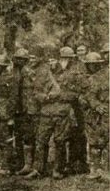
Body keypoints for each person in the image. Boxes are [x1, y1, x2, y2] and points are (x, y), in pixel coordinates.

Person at [26, 46, 82, 180]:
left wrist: (58, 96)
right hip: (46, 112)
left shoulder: (74, 74)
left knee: (60, 141)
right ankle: (37, 169)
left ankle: (57, 169)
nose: (63, 61)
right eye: (60, 58)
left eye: (67, 59)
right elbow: (35, 92)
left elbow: (76, 94)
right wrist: (45, 97)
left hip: (62, 112)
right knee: (40, 141)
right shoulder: (44, 74)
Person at [80, 52, 109, 180]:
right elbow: (89, 96)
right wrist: (96, 105)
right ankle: (94, 170)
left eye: (95, 65)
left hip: (106, 111)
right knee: (94, 142)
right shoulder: (90, 79)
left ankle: (106, 170)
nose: (92, 67)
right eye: (90, 65)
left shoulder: (107, 75)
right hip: (94, 114)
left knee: (107, 141)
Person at [13, 48, 40, 176]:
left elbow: (35, 91)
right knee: (20, 137)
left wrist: (31, 109)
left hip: (29, 109)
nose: (19, 61)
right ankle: (21, 164)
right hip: (19, 109)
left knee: (29, 137)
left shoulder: (29, 72)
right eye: (17, 58)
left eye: (21, 59)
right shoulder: (16, 72)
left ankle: (29, 164)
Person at [0, 53, 15, 176]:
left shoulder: (10, 78)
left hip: (4, 112)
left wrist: (10, 116)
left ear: (4, 67)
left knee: (5, 140)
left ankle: (5, 166)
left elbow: (13, 98)